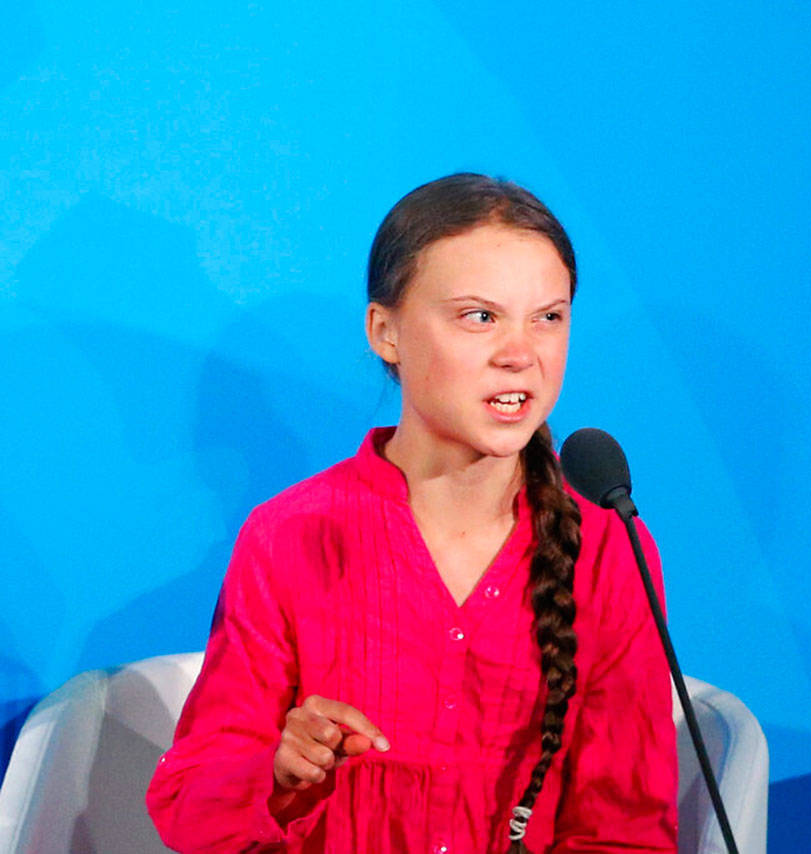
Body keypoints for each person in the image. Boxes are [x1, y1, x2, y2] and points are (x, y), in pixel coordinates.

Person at [146, 173, 679, 853]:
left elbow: (626, 831)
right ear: (385, 331)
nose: (521, 354)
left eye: (549, 317)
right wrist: (278, 774)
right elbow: (189, 805)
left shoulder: (608, 550)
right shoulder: (289, 535)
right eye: (479, 316)